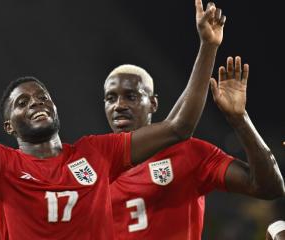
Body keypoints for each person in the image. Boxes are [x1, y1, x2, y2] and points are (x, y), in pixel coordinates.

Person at [0, 0, 225, 238]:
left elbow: (178, 128)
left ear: (56, 107)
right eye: (23, 102)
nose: (36, 103)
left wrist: (208, 46)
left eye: (43, 97)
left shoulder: (96, 153)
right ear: (9, 125)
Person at [107, 57, 285, 239]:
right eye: (110, 98)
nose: (119, 105)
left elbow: (269, 188)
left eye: (131, 96)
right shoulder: (90, 168)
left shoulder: (188, 153)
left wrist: (240, 120)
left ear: (153, 103)